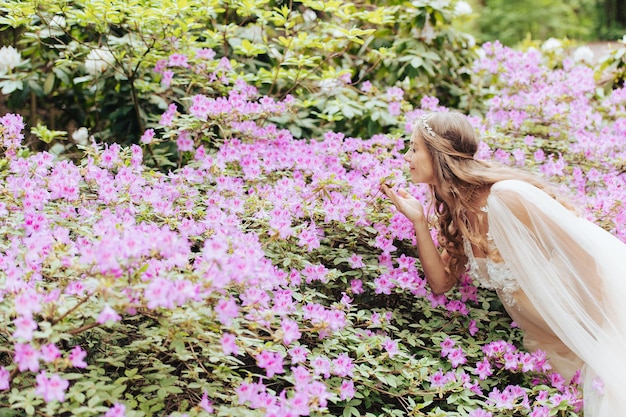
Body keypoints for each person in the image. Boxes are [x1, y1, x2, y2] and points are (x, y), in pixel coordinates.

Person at [381, 111, 626, 416]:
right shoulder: (459, 213)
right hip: (549, 344)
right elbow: (441, 282)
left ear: (438, 153)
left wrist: (593, 335)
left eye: (414, 148)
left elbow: (586, 257)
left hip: (593, 326)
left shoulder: (507, 197)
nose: (406, 156)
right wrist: (418, 220)